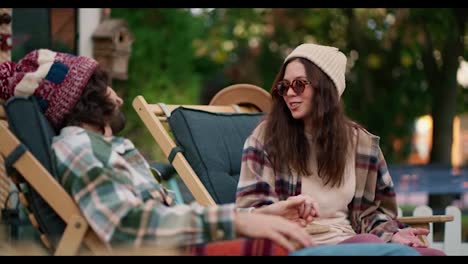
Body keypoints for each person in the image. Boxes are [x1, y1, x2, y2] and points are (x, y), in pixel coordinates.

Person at [0, 49, 420, 256]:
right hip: (207, 247)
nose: (117, 96)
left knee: (406, 250)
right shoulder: (77, 146)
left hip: (208, 239)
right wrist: (241, 219)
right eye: (104, 86)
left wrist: (262, 217)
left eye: (301, 85)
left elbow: (372, 210)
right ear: (84, 97)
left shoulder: (103, 146)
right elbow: (126, 225)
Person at [235, 43, 445, 256]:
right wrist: (287, 209)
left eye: (299, 85)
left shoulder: (360, 142)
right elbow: (250, 210)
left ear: (326, 89)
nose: (289, 93)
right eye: (284, 86)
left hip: (351, 241)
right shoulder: (266, 138)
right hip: (299, 245)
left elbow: (373, 212)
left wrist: (391, 234)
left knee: (435, 255)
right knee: (370, 245)